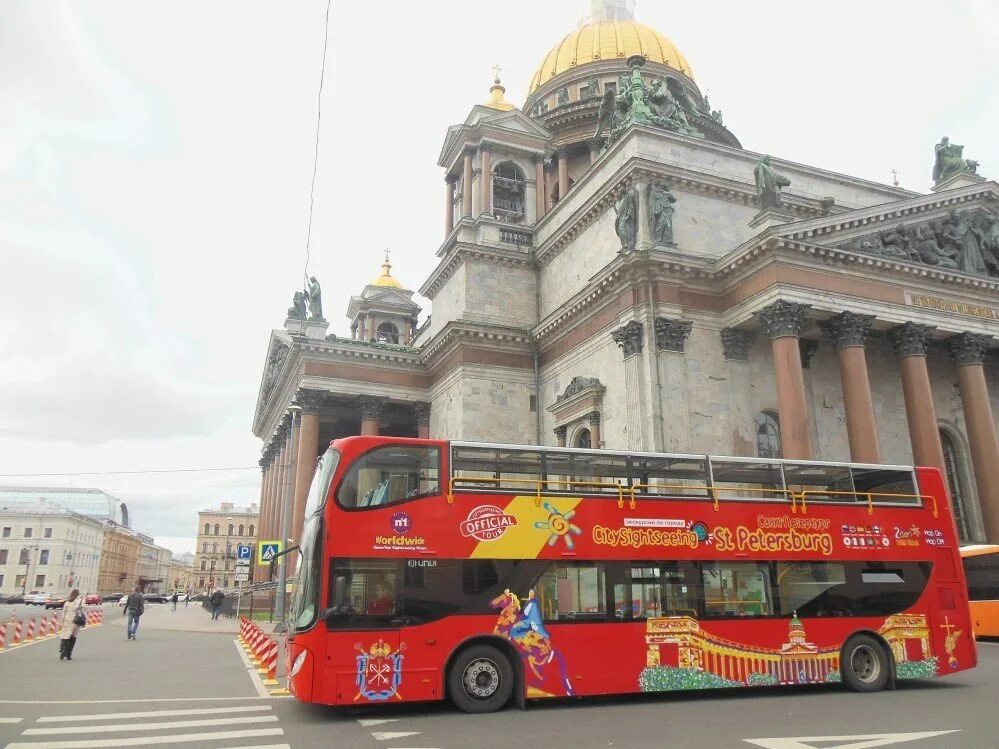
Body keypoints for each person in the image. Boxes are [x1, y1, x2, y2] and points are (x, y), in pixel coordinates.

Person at [59, 589, 84, 661]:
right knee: (73, 637)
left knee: (65, 635)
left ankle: (63, 650)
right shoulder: (80, 602)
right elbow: (84, 611)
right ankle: (69, 654)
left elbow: (64, 613)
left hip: (68, 620)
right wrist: (84, 622)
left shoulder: (67, 602)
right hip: (77, 621)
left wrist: (62, 622)